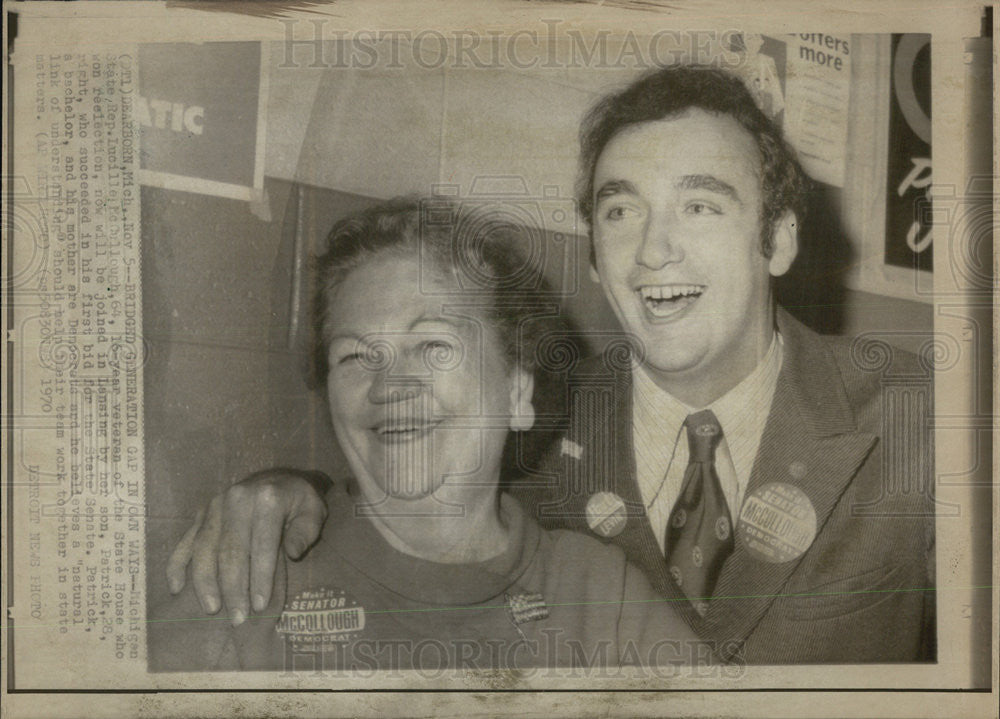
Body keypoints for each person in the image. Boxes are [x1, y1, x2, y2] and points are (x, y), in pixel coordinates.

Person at [166, 65, 935, 664]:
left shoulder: (922, 420)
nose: (655, 248)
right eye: (620, 210)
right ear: (597, 262)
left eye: (700, 206)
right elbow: (415, 472)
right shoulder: (536, 432)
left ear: (780, 241)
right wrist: (287, 490)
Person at [149, 196, 706, 672]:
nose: (390, 384)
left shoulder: (596, 595)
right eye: (355, 356)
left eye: (434, 346)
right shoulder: (246, 575)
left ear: (516, 393)